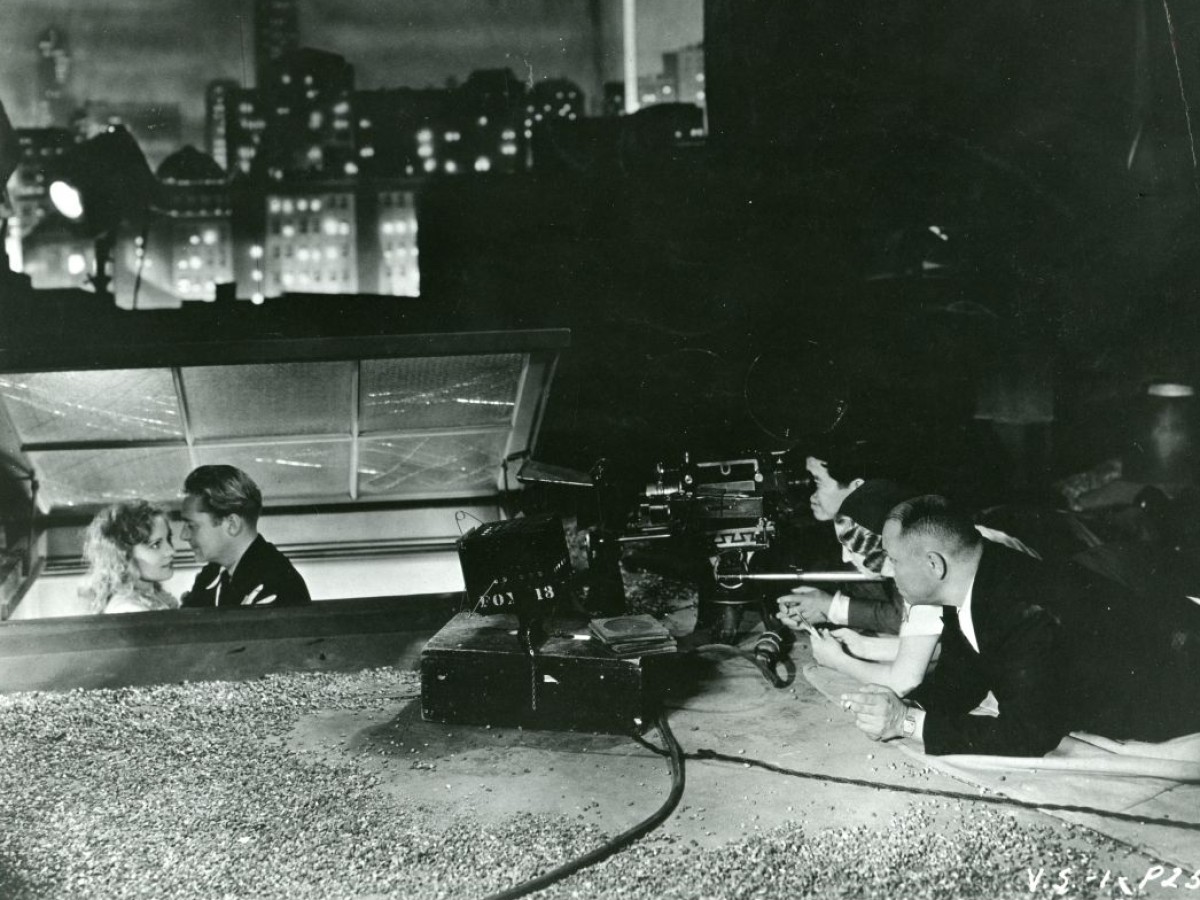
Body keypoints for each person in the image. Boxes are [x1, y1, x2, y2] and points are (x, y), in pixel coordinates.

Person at [842, 495, 1200, 757]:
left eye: (894, 560)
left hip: (1180, 689)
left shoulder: (1021, 610)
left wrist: (906, 724)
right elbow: (963, 678)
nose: (889, 572)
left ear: (935, 565)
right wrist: (902, 704)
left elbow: (1028, 734)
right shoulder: (977, 575)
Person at [788, 443, 905, 634]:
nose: (811, 496)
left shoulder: (896, 529)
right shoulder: (843, 526)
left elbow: (908, 618)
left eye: (817, 482)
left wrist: (830, 606)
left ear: (857, 487)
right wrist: (819, 611)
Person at [179, 465, 311, 609]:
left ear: (232, 525)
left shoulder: (277, 585)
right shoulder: (210, 575)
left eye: (192, 526)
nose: (183, 536)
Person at [80, 501, 181, 614]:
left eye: (169, 539)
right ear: (125, 556)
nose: (171, 551)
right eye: (155, 545)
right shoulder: (129, 609)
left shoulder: (152, 597)